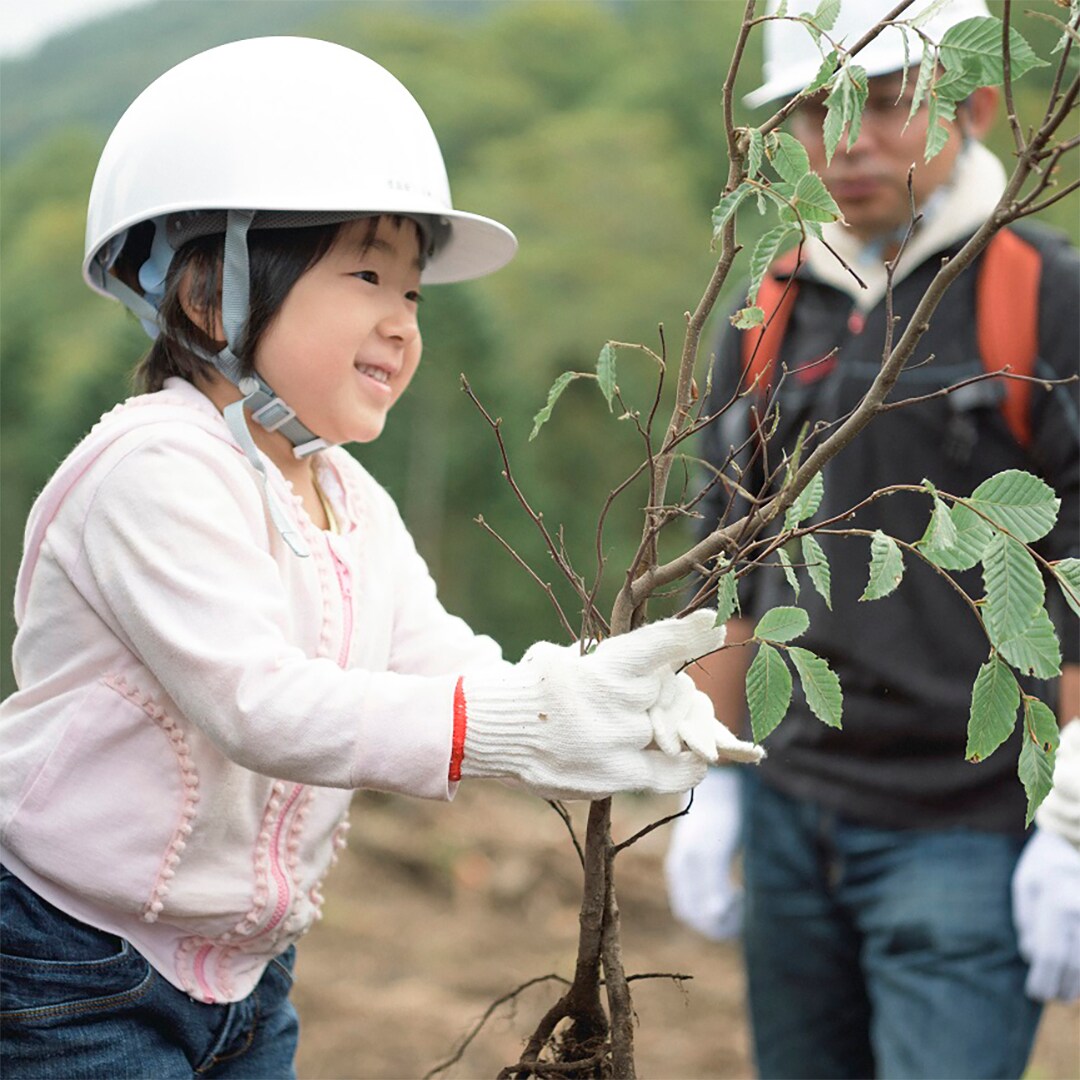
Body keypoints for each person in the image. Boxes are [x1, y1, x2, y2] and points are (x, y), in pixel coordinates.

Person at [0, 37, 765, 1079]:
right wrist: (520, 728)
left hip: (248, 977)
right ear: (213, 298)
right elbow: (260, 704)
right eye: (367, 275)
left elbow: (436, 660)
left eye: (413, 294)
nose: (402, 324)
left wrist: (592, 693)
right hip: (72, 969)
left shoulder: (344, 494)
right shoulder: (150, 468)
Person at [664, 1, 1080, 1077]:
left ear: (975, 104)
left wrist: (1073, 821)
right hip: (792, 813)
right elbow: (730, 555)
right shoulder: (777, 299)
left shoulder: (1041, 293)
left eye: (886, 104)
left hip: (969, 826)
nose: (844, 142)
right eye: (816, 112)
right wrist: (714, 782)